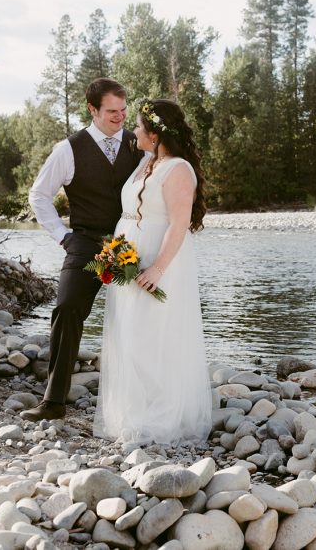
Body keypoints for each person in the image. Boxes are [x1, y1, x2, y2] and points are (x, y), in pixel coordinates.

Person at [22, 78, 143, 422]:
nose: (120, 117)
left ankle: (142, 398)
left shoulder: (139, 144)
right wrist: (63, 236)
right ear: (92, 109)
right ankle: (54, 401)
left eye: (124, 110)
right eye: (112, 111)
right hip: (86, 242)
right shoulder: (68, 149)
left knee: (144, 313)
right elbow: (39, 195)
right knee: (67, 309)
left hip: (130, 242)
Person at [93, 98, 212, 444]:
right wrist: (114, 253)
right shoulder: (147, 161)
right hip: (129, 254)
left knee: (154, 333)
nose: (134, 131)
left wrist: (158, 269)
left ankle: (161, 415)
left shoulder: (178, 169)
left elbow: (178, 223)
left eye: (139, 127)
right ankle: (132, 410)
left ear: (156, 134)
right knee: (129, 331)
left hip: (160, 259)